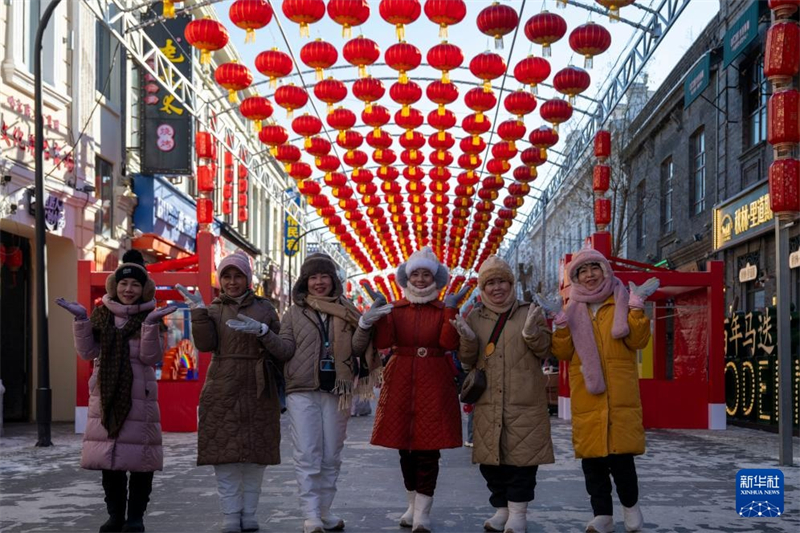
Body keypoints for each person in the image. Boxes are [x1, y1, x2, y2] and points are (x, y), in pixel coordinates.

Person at [57, 250, 176, 533]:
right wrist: (81, 321)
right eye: (123, 284)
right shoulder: (101, 315)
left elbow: (151, 358)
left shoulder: (152, 316)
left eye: (135, 284)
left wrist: (149, 325)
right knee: (110, 461)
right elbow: (88, 352)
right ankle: (115, 516)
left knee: (140, 462)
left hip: (140, 399)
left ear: (144, 288)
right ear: (115, 285)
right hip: (106, 397)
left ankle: (135, 518)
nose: (128, 289)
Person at [541, 248, 659, 533]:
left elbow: (639, 341)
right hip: (588, 395)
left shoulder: (620, 299)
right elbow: (564, 352)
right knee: (593, 462)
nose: (590, 275)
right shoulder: (572, 309)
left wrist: (636, 307)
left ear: (605, 271)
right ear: (577, 277)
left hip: (620, 394)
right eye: (583, 271)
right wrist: (559, 324)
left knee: (622, 460)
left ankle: (631, 509)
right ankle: (602, 515)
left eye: (594, 269)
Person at [353, 246, 467, 533]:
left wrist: (452, 309)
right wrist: (378, 314)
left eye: (425, 274)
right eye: (414, 273)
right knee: (404, 448)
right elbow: (383, 341)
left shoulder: (443, 310)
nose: (419, 279)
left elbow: (449, 343)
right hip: (400, 378)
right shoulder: (396, 309)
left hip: (434, 378)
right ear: (406, 276)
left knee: (429, 449)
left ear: (435, 278)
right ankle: (412, 505)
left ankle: (422, 513)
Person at [256, 253, 371, 533]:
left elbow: (357, 349)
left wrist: (366, 325)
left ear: (333, 280)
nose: (319, 282)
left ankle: (325, 511)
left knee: (332, 454)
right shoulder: (294, 312)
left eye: (324, 276)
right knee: (308, 453)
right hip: (302, 390)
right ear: (305, 282)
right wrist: (264, 333)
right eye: (313, 277)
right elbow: (285, 350)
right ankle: (310, 515)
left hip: (337, 389)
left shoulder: (346, 309)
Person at [176, 250, 286, 533]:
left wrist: (263, 331)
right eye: (227, 276)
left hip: (259, 387)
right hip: (221, 386)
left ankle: (249, 514)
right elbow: (205, 345)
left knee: (255, 456)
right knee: (223, 454)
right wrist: (199, 314)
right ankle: (229, 515)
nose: (233, 282)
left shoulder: (266, 309)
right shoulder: (213, 309)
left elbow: (283, 350)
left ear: (248, 279)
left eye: (238, 276)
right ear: (220, 279)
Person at [452, 255, 554, 533]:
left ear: (511, 284)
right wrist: (467, 341)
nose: (497, 288)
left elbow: (545, 350)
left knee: (522, 462)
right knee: (490, 462)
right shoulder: (474, 316)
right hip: (488, 401)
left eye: (502, 282)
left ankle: (518, 514)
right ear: (483, 289)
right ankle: (502, 510)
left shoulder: (528, 311)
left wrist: (534, 332)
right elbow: (466, 361)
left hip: (524, 400)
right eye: (491, 283)